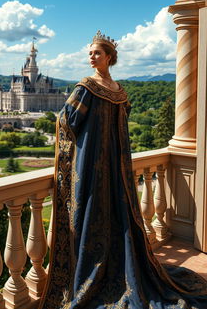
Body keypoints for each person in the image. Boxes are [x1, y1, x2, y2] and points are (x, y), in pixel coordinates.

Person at [39, 31, 207, 309]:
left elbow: (67, 120)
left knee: (89, 212)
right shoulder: (119, 91)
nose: (91, 57)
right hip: (115, 164)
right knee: (113, 212)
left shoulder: (85, 88)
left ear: (109, 57)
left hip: (91, 163)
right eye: (90, 53)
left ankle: (91, 271)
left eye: (96, 53)